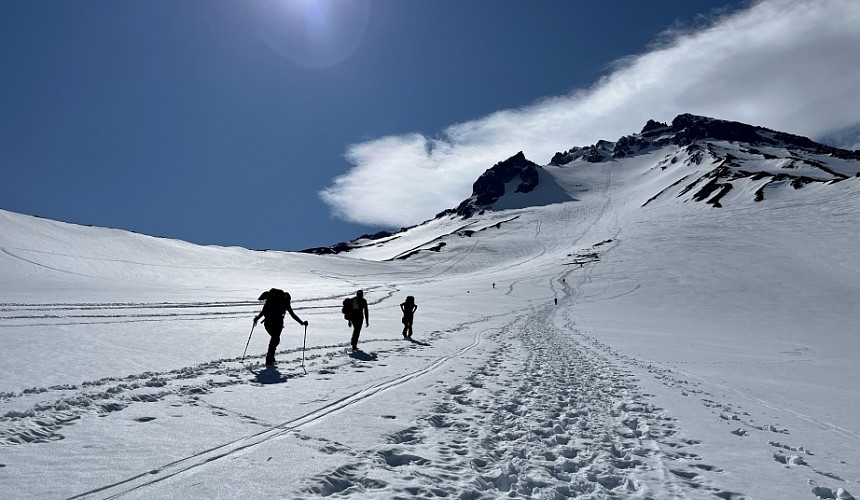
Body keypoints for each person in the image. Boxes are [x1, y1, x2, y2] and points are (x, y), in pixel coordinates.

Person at [253, 288, 308, 365]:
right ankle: (269, 359)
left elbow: (264, 311)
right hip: (278, 323)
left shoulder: (271, 300)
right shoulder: (285, 302)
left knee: (275, 339)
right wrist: (302, 323)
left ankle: (270, 358)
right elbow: (292, 315)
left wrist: (257, 319)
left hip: (268, 323)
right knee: (275, 339)